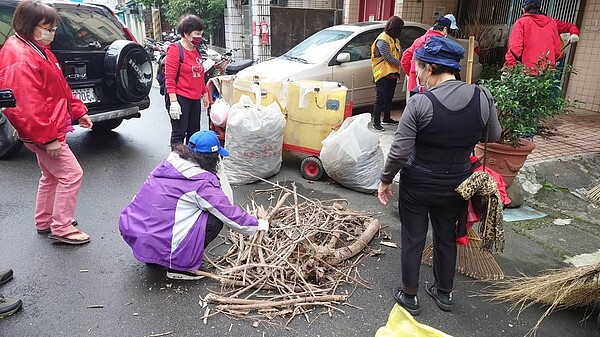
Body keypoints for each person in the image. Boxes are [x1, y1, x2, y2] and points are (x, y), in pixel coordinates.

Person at [377, 36, 501, 316]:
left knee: (413, 236)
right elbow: (493, 135)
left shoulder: (420, 103)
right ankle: (444, 292)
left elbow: (399, 151)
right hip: (458, 183)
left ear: (431, 68)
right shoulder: (482, 97)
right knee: (446, 236)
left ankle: (409, 295)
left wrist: (385, 180)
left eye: (419, 67)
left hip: (418, 182)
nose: (417, 74)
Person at [119, 130, 269, 280]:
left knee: (170, 210)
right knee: (214, 219)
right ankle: (181, 268)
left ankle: (153, 257)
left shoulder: (169, 164)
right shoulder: (200, 182)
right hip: (160, 239)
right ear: (211, 158)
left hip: (136, 231)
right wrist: (258, 225)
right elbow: (228, 213)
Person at [0, 0, 91, 245]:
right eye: (47, 27)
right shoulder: (21, 56)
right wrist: (49, 138)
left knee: (50, 175)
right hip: (43, 131)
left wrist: (78, 111)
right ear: (29, 25)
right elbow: (29, 105)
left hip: (44, 129)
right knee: (72, 175)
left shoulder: (34, 48)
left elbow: (59, 88)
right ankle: (61, 227)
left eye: (52, 28)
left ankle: (45, 220)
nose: (51, 33)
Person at [165, 14, 209, 148]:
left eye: (200, 33)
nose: (199, 37)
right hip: (180, 97)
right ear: (186, 33)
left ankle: (190, 163)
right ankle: (176, 163)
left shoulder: (196, 51)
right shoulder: (175, 49)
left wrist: (205, 92)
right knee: (179, 132)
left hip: (194, 98)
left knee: (194, 133)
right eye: (197, 34)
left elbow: (200, 74)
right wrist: (174, 102)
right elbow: (170, 78)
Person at [504, 0, 563, 70]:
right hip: (547, 70)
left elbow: (515, 47)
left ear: (524, 8)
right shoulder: (552, 23)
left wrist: (509, 67)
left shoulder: (521, 22)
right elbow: (557, 51)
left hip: (528, 70)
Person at [401, 16, 451, 95]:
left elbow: (405, 58)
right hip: (433, 85)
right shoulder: (442, 43)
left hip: (415, 85)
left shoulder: (419, 40)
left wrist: (412, 73)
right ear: (445, 29)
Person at [370, 15, 404, 131]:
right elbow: (387, 57)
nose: (401, 32)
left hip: (392, 74)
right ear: (395, 28)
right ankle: (376, 123)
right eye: (400, 29)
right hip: (382, 74)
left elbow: (400, 53)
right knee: (380, 99)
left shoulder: (395, 40)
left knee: (389, 98)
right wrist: (402, 63)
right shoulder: (382, 40)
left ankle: (387, 118)